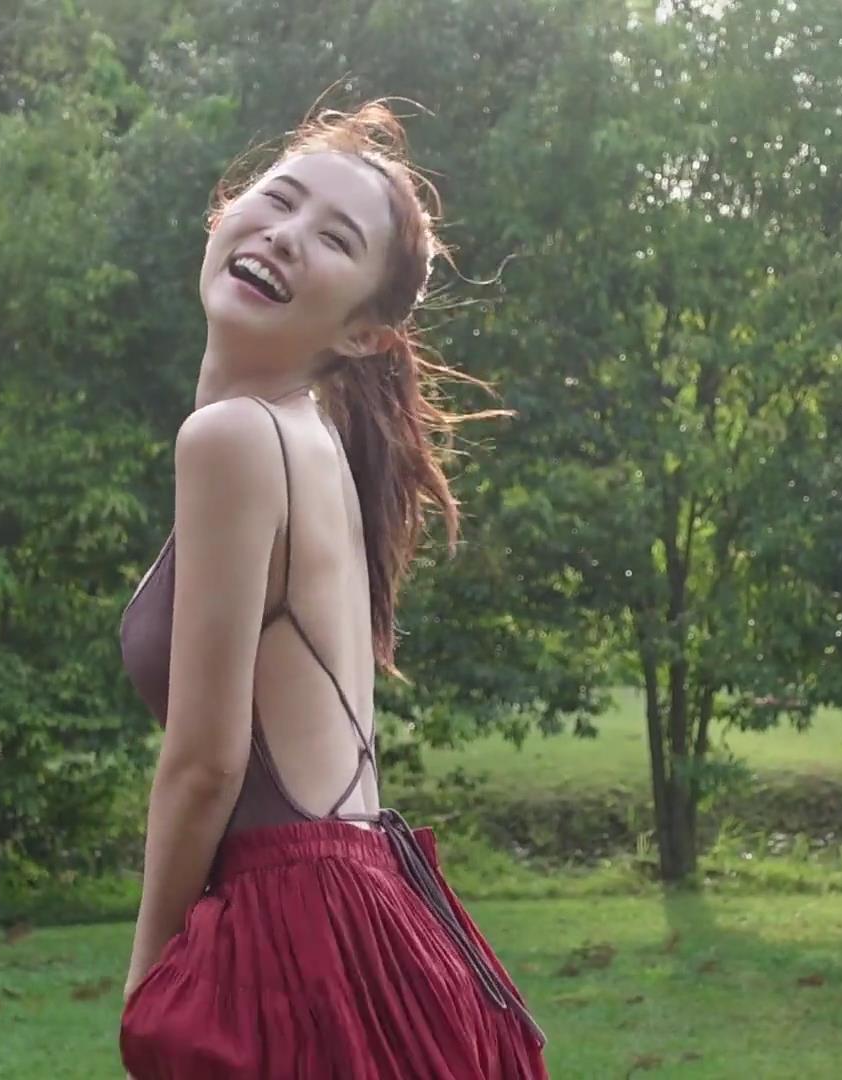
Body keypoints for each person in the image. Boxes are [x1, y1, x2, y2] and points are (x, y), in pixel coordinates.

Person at [116, 101, 548, 1079]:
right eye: (280, 200)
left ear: (363, 333)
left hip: (300, 941)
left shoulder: (238, 439)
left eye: (334, 238)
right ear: (224, 213)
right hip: (370, 927)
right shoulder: (301, 440)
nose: (286, 235)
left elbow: (205, 764)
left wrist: (148, 981)